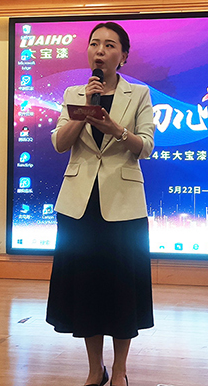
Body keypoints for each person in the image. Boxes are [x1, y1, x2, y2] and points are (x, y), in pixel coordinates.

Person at [46, 22, 155, 386]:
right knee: (86, 290)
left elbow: (146, 147)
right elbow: (60, 144)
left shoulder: (138, 95)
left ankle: (120, 369)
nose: (100, 50)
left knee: (122, 289)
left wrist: (116, 130)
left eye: (109, 45)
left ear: (123, 56)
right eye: (95, 44)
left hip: (123, 204)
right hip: (79, 205)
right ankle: (96, 369)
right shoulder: (75, 93)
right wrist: (85, 111)